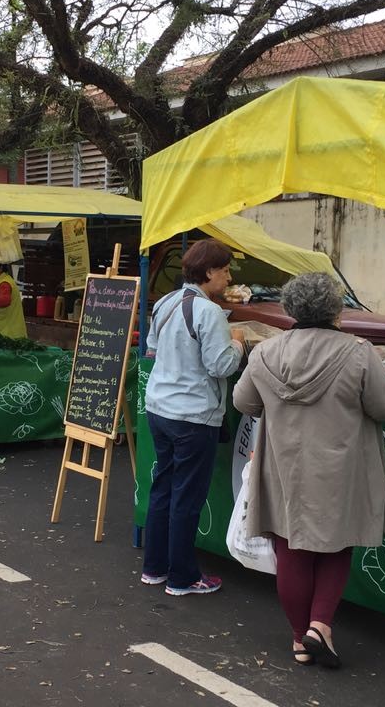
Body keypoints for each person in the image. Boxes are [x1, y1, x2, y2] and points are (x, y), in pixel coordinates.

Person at [233, 272, 385, 669]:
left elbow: (243, 401)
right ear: (335, 309)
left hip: (282, 466)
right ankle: (320, 625)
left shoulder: (266, 353)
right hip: (341, 468)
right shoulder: (358, 352)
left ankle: (301, 639)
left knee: (290, 549)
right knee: (337, 546)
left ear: (290, 308)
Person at [142, 238, 245, 596]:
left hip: (159, 408)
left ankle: (154, 568)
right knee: (186, 498)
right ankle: (182, 578)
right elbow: (221, 365)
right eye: (226, 270)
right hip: (193, 416)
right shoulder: (209, 312)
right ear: (210, 271)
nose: (229, 278)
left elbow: (153, 349)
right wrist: (238, 343)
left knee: (163, 489)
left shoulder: (166, 302)